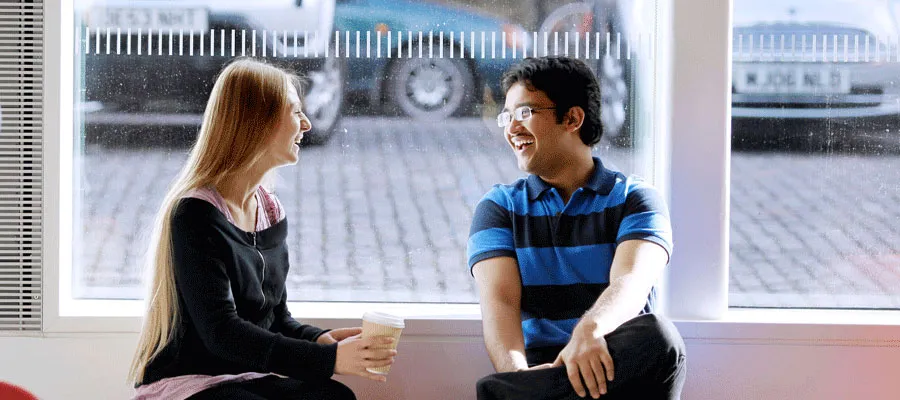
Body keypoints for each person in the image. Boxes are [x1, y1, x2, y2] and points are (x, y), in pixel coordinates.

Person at [127, 58, 395, 400]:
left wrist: (318, 340)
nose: (307, 124)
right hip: (190, 382)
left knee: (334, 397)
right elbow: (222, 333)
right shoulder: (194, 214)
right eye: (296, 111)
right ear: (258, 122)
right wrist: (328, 359)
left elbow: (275, 318)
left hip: (246, 376)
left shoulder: (269, 210)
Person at [468, 57, 686, 400]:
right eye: (506, 116)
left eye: (524, 113)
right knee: (519, 385)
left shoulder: (636, 198)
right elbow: (500, 303)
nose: (511, 129)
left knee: (659, 338)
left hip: (616, 366)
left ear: (572, 118)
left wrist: (590, 331)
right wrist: (518, 375)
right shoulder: (499, 208)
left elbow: (632, 283)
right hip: (544, 369)